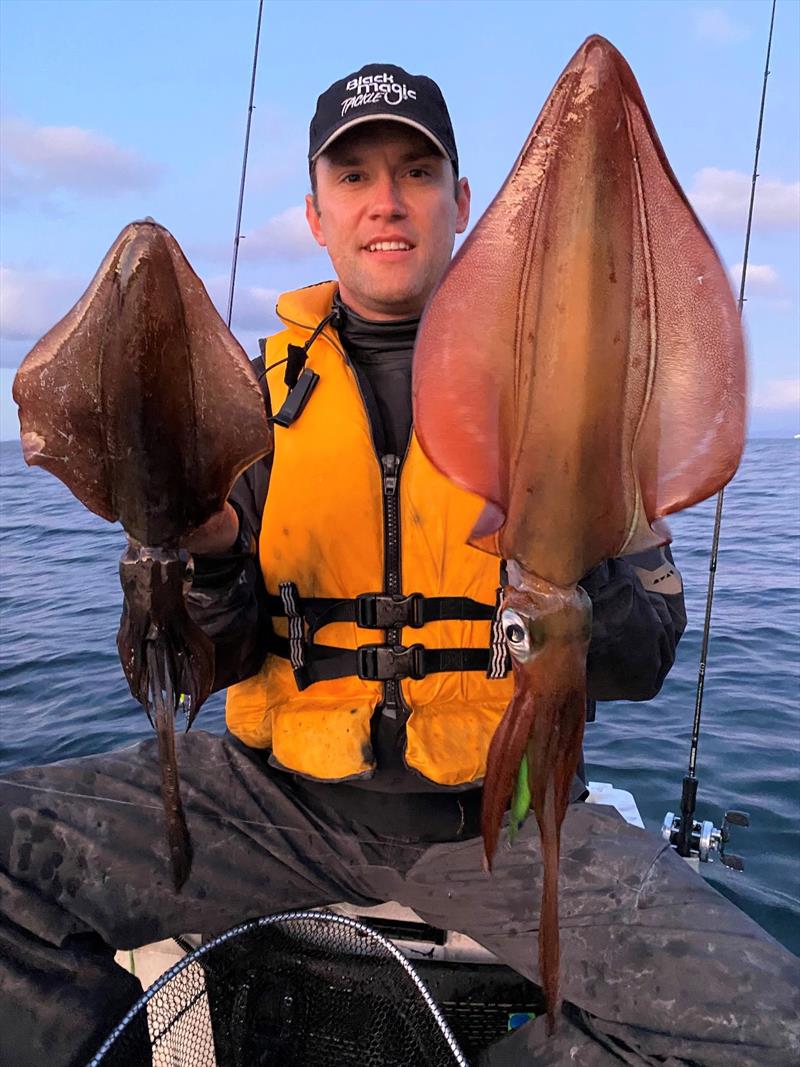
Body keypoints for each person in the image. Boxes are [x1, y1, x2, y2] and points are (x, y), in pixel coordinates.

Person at [0, 64, 797, 1067]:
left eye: (416, 171)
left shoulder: (573, 402)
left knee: (770, 1031)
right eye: (355, 177)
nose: (386, 201)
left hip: (492, 818)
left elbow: (640, 658)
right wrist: (200, 559)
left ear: (462, 203)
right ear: (317, 212)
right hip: (271, 799)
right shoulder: (247, 407)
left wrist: (568, 572)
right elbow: (199, 666)